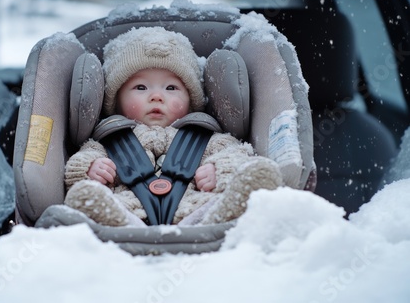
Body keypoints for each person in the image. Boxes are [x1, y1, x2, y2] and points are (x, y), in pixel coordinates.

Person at [64, 26, 283, 227]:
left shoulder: (206, 137)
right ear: (116, 100)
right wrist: (90, 170)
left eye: (171, 87)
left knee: (250, 176)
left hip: (196, 213)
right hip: (129, 215)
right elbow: (79, 166)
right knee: (86, 195)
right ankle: (120, 225)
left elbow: (238, 156)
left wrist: (220, 170)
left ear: (191, 100)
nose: (157, 96)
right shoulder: (108, 141)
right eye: (141, 87)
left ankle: (222, 216)